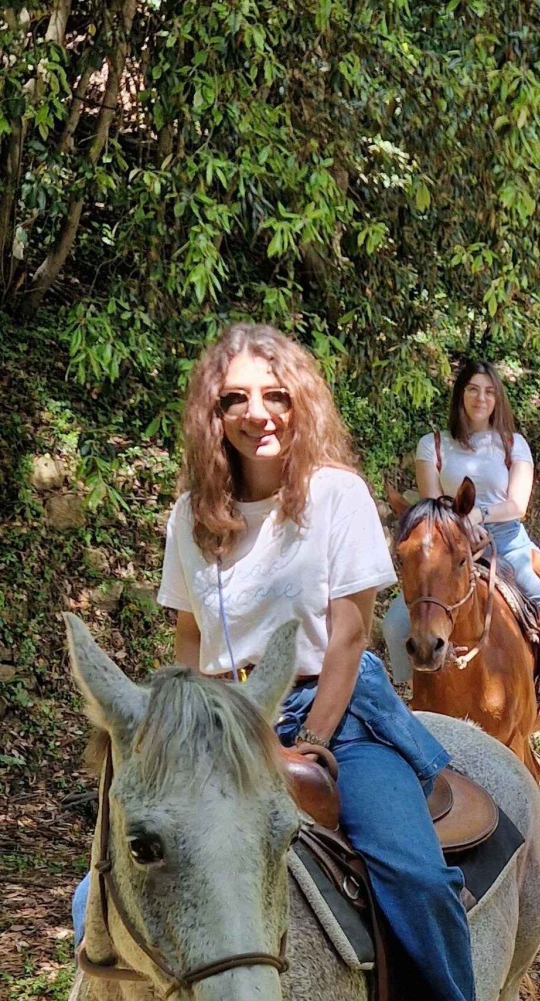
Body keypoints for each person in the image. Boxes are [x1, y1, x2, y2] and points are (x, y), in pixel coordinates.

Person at [73, 323, 475, 1001]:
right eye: (235, 398)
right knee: (99, 896)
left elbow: (349, 634)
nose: (257, 413)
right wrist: (190, 735)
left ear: (301, 402)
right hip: (224, 723)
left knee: (416, 877)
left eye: (275, 395)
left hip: (336, 715)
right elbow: (190, 640)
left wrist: (311, 739)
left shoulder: (338, 495)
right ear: (214, 412)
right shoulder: (190, 516)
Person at [382, 358, 540, 681]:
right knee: (395, 624)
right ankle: (411, 691)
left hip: (508, 543)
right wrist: (461, 529)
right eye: (472, 389)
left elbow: (518, 505)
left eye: (489, 391)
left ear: (497, 398)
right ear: (460, 395)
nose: (480, 398)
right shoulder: (433, 445)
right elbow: (432, 507)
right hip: (448, 546)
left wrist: (478, 516)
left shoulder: (514, 444)